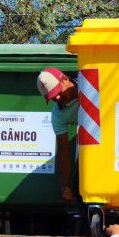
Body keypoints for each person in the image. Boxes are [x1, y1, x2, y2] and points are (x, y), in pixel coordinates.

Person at [36, 68, 78, 202]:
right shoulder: (58, 116)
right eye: (53, 98)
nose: (58, 98)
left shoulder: (89, 84)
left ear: (65, 79)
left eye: (58, 92)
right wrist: (65, 186)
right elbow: (63, 152)